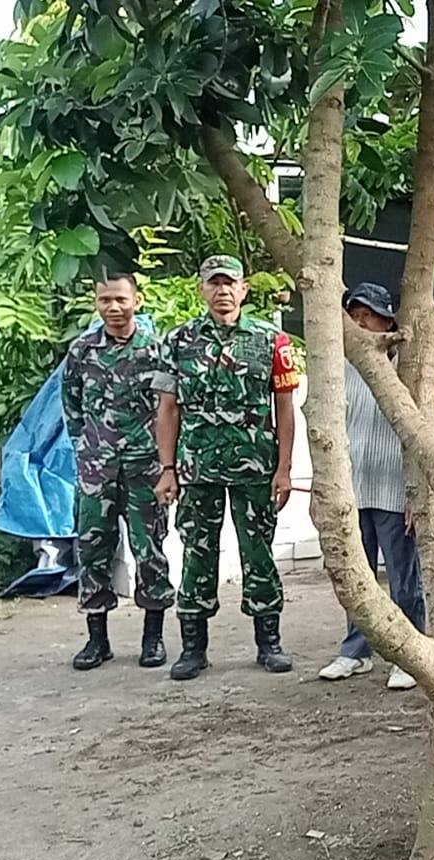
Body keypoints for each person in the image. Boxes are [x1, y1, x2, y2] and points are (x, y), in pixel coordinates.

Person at [153, 254, 299, 681]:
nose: (222, 291)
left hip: (255, 464)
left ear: (244, 288)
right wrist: (167, 468)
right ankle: (193, 648)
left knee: (259, 554)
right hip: (197, 466)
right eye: (213, 284)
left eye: (229, 283)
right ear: (202, 289)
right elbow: (167, 409)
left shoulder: (272, 341)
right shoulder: (178, 341)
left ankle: (269, 642)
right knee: (197, 553)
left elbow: (286, 409)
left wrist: (284, 468)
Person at [62, 274, 176, 670]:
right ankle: (97, 640)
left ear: (137, 301)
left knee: (150, 550)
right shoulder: (82, 350)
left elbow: (168, 407)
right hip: (96, 468)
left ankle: (153, 638)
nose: (113, 307)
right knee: (92, 549)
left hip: (145, 467)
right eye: (105, 299)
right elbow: (72, 406)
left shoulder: (157, 350)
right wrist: (87, 448)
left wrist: (167, 464)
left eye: (120, 299)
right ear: (96, 302)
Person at [317, 283, 424, 690]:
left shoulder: (408, 369)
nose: (361, 324)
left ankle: (409, 654)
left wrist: (416, 493)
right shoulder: (339, 369)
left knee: (403, 578)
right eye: (355, 316)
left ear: (389, 321)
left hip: (395, 492)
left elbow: (421, 436)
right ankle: (355, 651)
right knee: (357, 576)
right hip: (353, 490)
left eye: (369, 316)